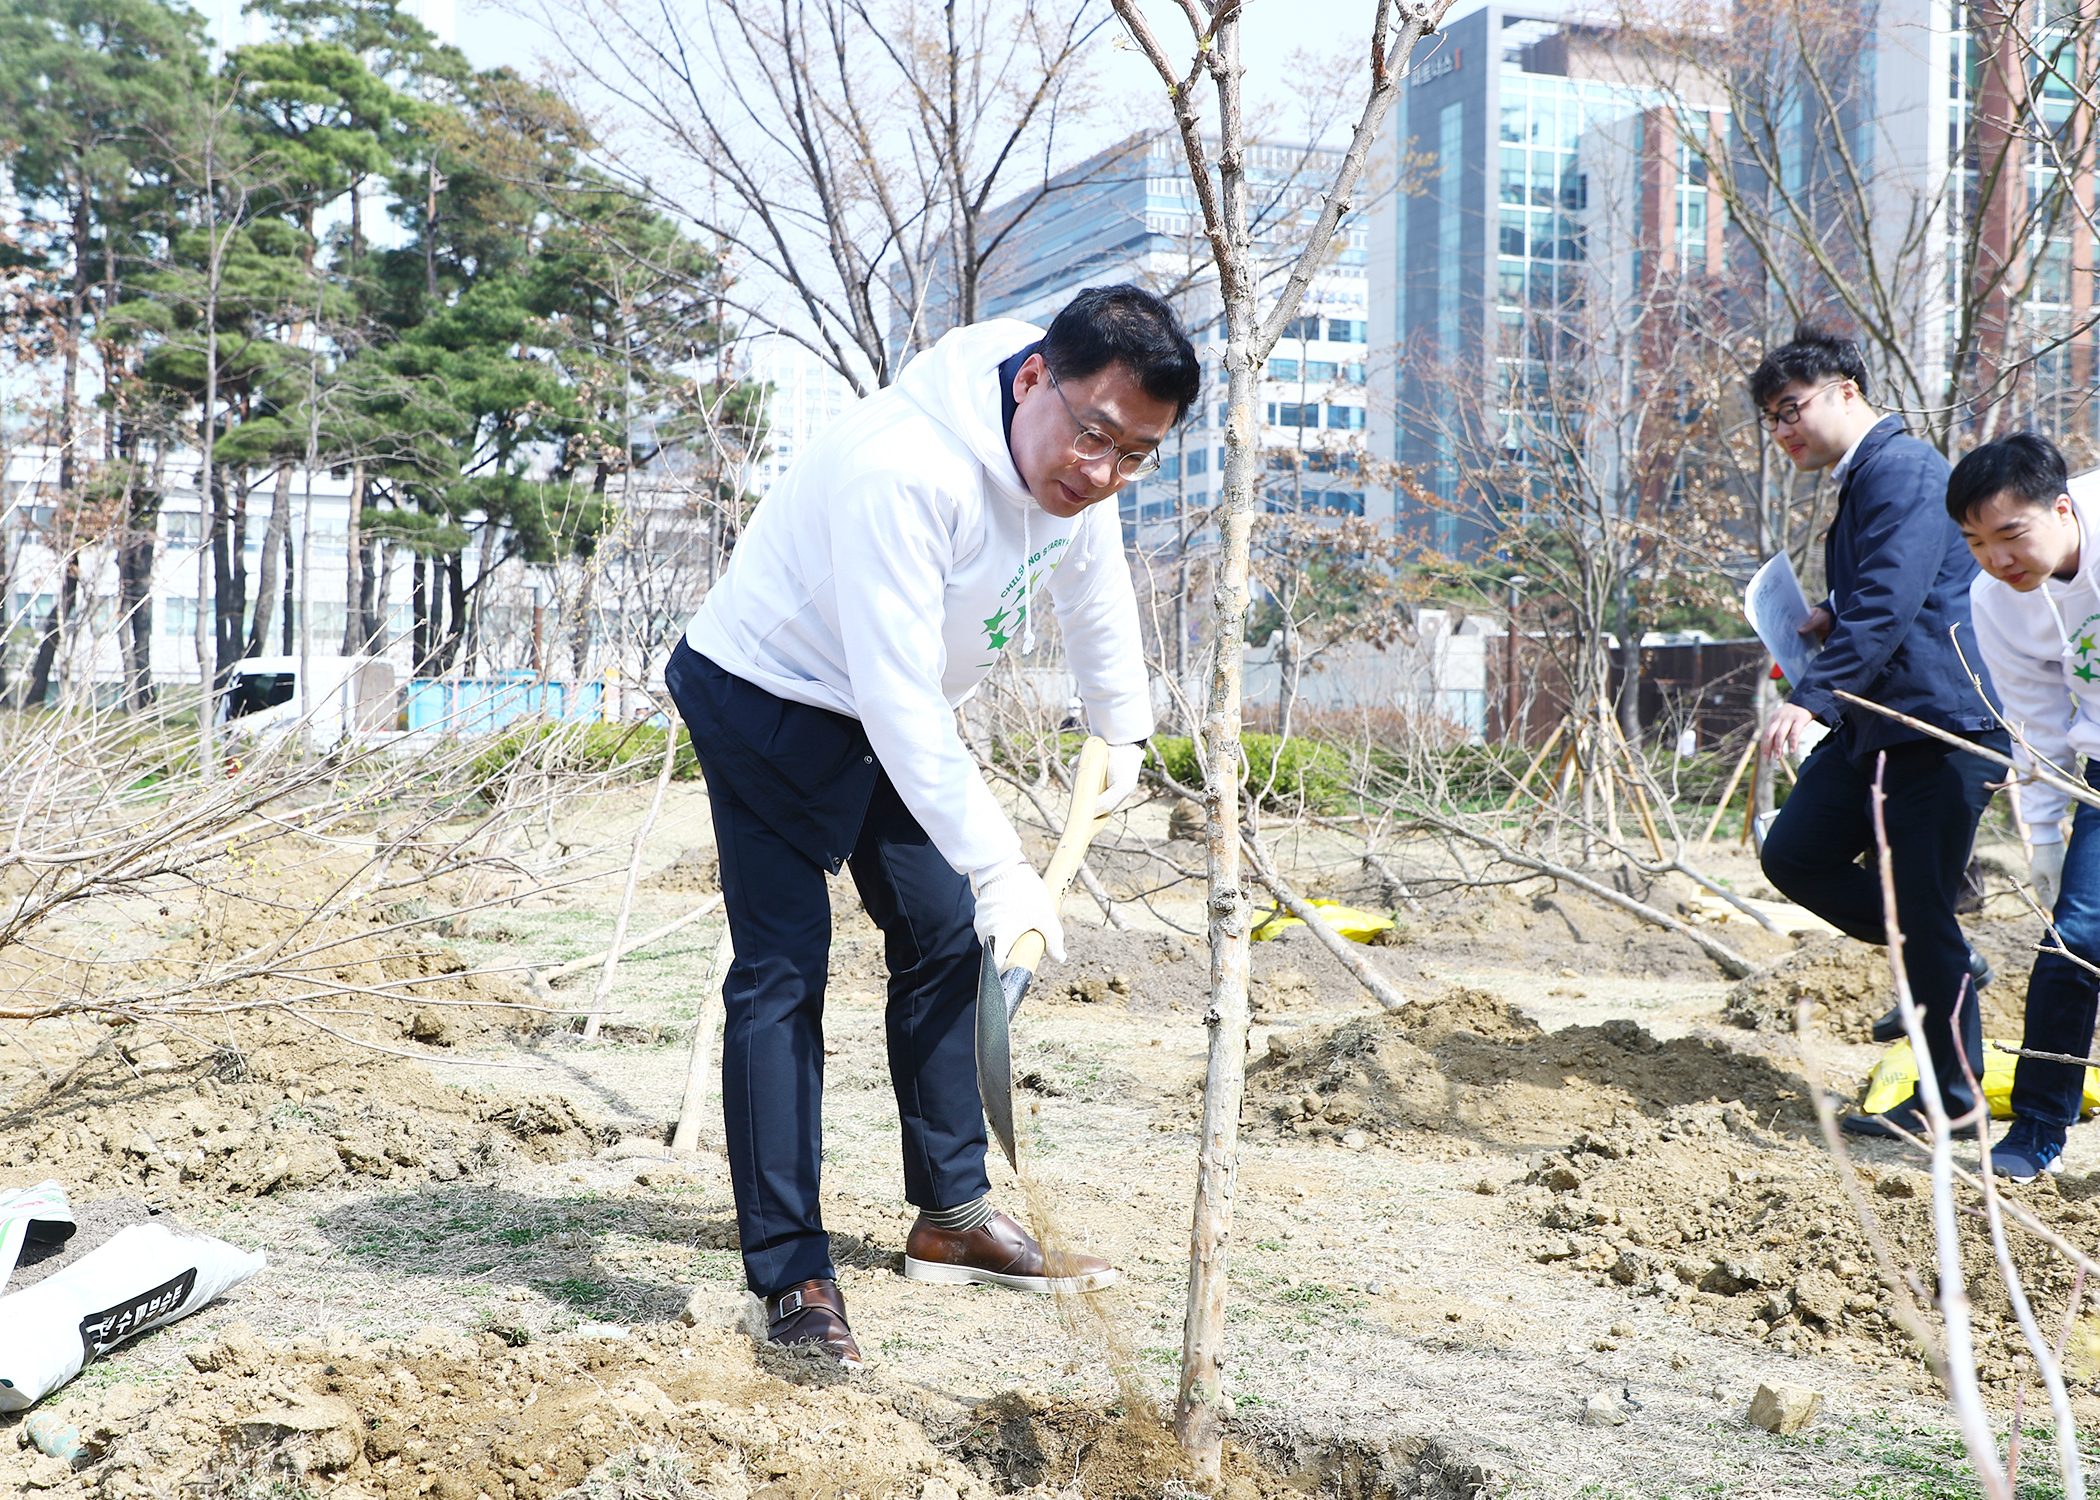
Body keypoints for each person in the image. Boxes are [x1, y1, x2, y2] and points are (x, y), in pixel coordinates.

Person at [663, 285, 1197, 1369]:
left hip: (892, 710)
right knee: (783, 971)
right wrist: (1006, 865)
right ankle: (792, 1273)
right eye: (1095, 435)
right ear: (1036, 377)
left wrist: (1122, 726)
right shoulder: (904, 467)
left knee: (947, 934)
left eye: (1136, 455)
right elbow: (900, 702)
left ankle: (950, 1218)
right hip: (770, 696)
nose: (1101, 471)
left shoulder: (1078, 449)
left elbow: (1091, 573)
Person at [1750, 323, 2006, 1138]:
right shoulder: (1866, 479)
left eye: (1791, 410)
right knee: (1795, 852)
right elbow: (1883, 593)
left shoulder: (1905, 470)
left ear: (1847, 392)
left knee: (1921, 904)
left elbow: (1893, 604)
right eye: (1772, 420)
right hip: (1882, 725)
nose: (1783, 430)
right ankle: (1947, 958)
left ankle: (1955, 1102)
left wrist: (1811, 697)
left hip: (1937, 725)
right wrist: (1825, 614)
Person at [1949, 432, 2100, 1180]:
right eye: (1977, 543)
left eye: (2011, 534)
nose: (1997, 559)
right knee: (2074, 940)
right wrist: (2043, 839)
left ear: (2063, 509)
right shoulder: (1995, 602)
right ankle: (2037, 1128)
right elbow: (2038, 723)